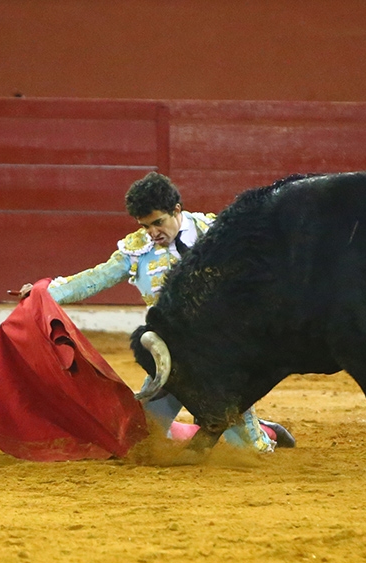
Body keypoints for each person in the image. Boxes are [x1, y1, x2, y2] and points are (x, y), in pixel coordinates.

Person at [15, 171, 295, 451]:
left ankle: (267, 432)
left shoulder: (216, 233)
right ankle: (193, 427)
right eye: (145, 226)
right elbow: (95, 278)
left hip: (220, 356)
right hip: (169, 356)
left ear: (176, 210)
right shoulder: (136, 249)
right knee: (138, 441)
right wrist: (44, 292)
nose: (152, 233)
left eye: (158, 223)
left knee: (250, 452)